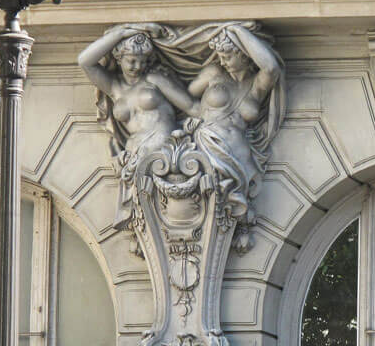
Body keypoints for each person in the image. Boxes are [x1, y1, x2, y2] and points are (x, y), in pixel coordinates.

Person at [78, 23, 194, 228]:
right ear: (119, 58)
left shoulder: (154, 79)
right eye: (131, 61)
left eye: (142, 61)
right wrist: (121, 33)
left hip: (164, 150)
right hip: (133, 155)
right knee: (144, 219)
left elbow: (191, 106)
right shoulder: (115, 88)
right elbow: (85, 62)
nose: (137, 67)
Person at [185, 24, 283, 222]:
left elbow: (271, 68)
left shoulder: (256, 85)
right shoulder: (214, 73)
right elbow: (188, 96)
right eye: (220, 55)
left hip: (240, 156)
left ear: (244, 54)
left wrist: (238, 32)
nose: (223, 61)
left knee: (232, 210)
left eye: (228, 55)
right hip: (208, 144)